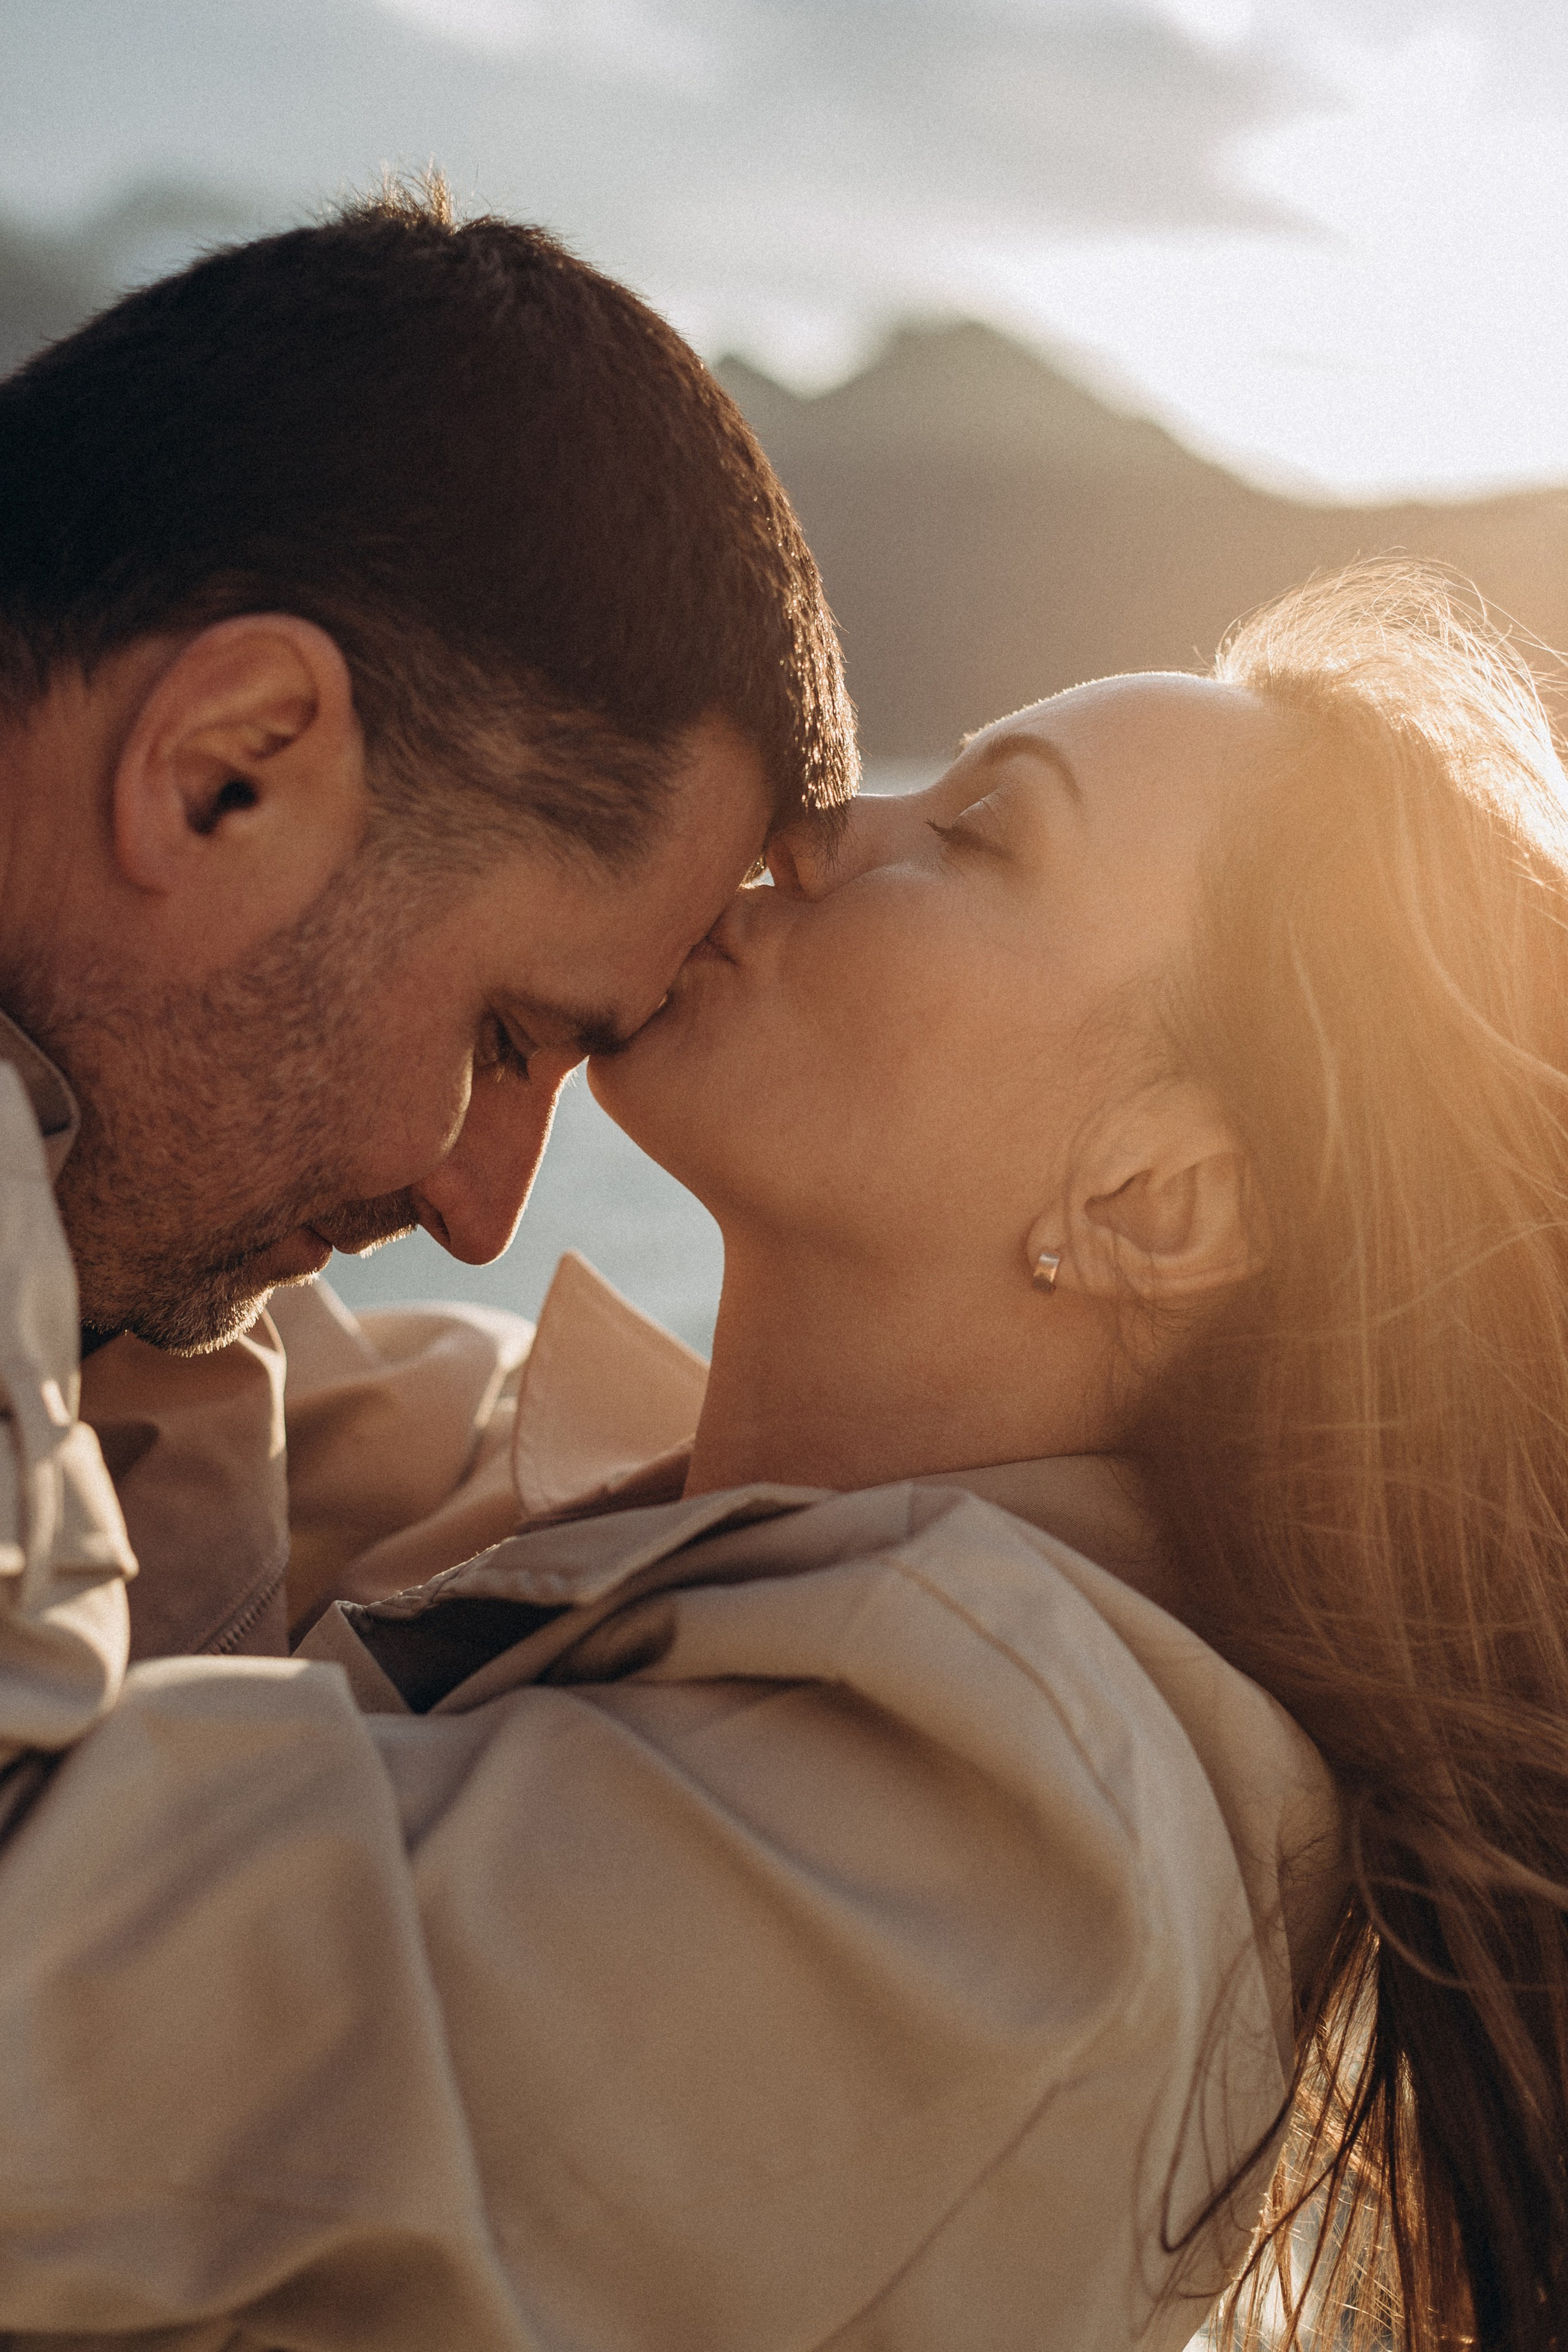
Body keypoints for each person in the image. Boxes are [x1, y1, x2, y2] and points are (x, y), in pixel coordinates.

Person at [301, 563, 1568, 2351]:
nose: (815, 827)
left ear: (1160, 1196)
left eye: (979, 834)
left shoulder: (1000, 1867)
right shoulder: (561, 1474)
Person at [0, 174, 854, 1661]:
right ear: (227, 771)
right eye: (507, 1039)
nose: (482, 1214)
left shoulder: (112, 1246)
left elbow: (452, 1443)